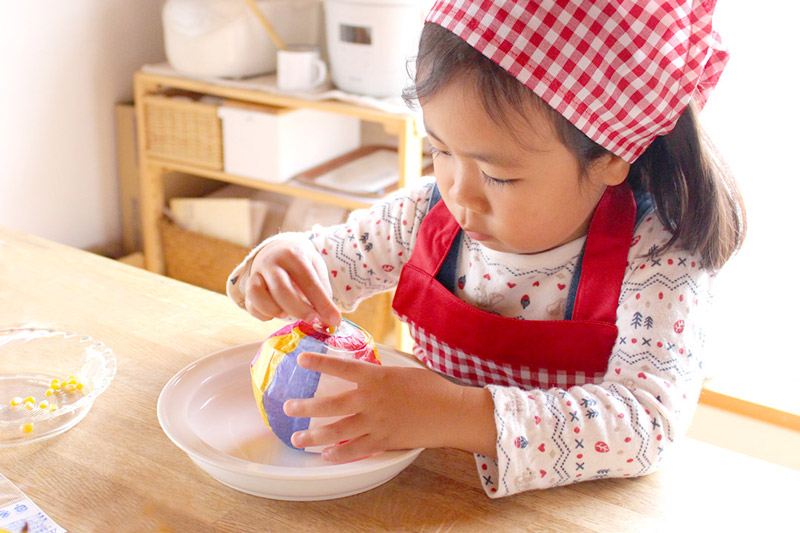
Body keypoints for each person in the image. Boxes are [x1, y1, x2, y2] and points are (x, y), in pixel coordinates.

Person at [227, 0, 745, 497]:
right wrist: (278, 264)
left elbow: (644, 425)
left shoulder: (657, 257)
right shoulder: (423, 215)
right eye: (440, 150)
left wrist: (451, 413)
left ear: (611, 156)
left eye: (498, 176)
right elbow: (326, 263)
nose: (457, 193)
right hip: (430, 494)